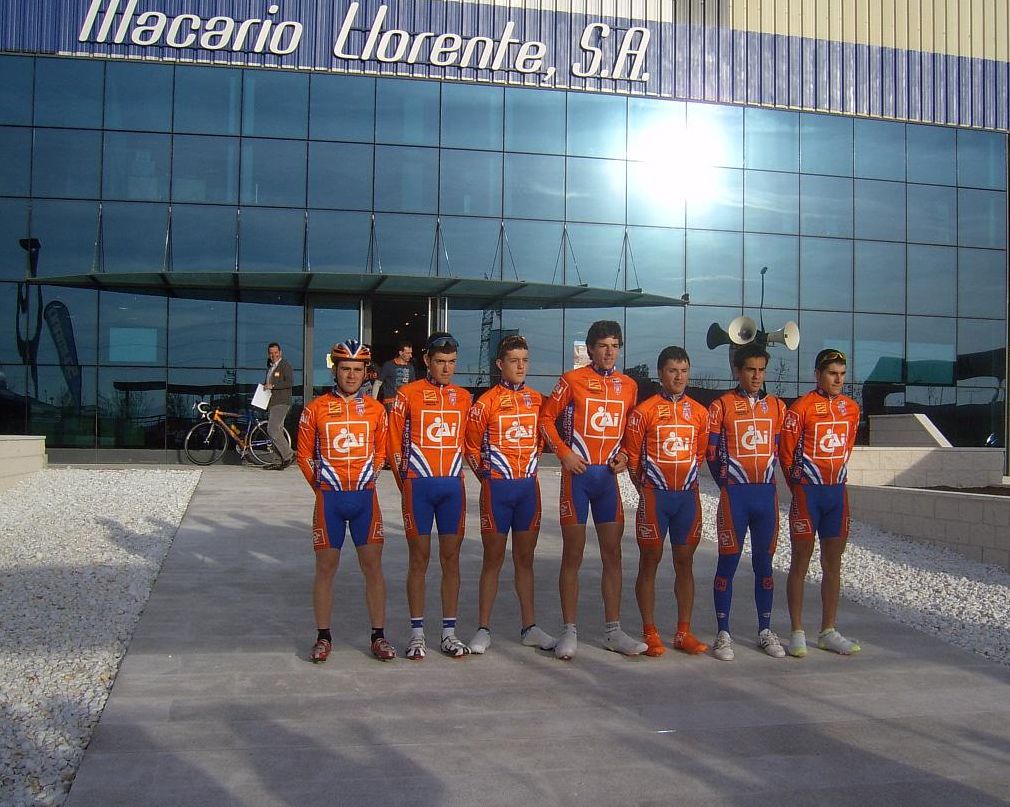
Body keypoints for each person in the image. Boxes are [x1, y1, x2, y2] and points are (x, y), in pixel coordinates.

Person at [540, 320, 646, 660]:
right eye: (603, 345)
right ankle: (569, 631)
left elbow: (632, 428)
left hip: (607, 481)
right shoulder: (571, 380)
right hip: (578, 477)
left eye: (615, 345)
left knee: (613, 555)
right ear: (590, 349)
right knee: (573, 554)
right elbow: (545, 419)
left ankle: (613, 631)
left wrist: (626, 455)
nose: (609, 352)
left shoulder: (629, 385)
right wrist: (564, 453)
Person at [296, 339, 395, 663]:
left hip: (365, 499)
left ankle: (378, 635)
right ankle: (323, 636)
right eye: (345, 369)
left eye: (357, 369)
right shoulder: (315, 408)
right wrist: (321, 487)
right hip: (330, 501)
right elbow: (303, 455)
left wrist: (368, 479)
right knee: (325, 569)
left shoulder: (376, 410)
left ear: (366, 373)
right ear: (335, 370)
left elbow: (382, 451)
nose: (351, 375)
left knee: (373, 567)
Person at [463, 335, 556, 655]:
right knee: (493, 559)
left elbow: (544, 439)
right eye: (514, 361)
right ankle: (483, 628)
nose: (520, 366)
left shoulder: (538, 400)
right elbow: (471, 448)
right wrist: (488, 478)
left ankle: (530, 627)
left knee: (525, 560)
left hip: (528, 490)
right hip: (497, 491)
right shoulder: (485, 403)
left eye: (525, 360)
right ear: (500, 364)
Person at [387, 332, 473, 660]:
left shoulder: (464, 397)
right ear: (426, 361)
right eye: (440, 362)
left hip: (452, 487)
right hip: (418, 487)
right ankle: (417, 634)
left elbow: (472, 442)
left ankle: (449, 633)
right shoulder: (407, 394)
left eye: (452, 362)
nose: (446, 368)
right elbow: (393, 445)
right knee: (419, 559)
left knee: (451, 559)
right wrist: (406, 484)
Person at [623, 346, 710, 657]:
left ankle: (684, 631)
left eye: (684, 371)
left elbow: (700, 454)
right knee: (650, 561)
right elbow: (633, 459)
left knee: (685, 563)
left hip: (686, 496)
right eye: (673, 370)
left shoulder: (699, 413)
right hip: (654, 497)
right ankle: (650, 631)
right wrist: (647, 488)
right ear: (661, 373)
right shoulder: (643, 412)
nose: (679, 377)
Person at [706, 342, 787, 661]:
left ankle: (765, 630)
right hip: (735, 497)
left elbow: (781, 450)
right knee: (727, 563)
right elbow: (711, 453)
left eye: (761, 370)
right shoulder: (721, 405)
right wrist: (727, 484)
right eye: (750, 369)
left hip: (765, 496)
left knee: (764, 566)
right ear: (737, 371)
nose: (756, 376)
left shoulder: (777, 406)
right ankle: (723, 633)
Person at [779, 348, 862, 657]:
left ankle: (828, 630)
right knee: (800, 561)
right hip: (807, 494)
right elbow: (786, 455)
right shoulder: (801, 408)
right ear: (817, 375)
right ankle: (797, 631)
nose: (838, 379)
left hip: (836, 494)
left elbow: (847, 447)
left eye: (842, 374)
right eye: (831, 373)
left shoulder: (851, 408)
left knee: (833, 563)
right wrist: (800, 487)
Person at [263, 342, 295, 470]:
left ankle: (288, 455)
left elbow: (289, 382)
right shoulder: (270, 368)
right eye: (271, 353)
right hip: (272, 402)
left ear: (280, 353)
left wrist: (273, 386)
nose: (273, 355)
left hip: (281, 402)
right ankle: (277, 460)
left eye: (276, 353)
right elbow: (268, 384)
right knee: (277, 431)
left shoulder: (285, 365)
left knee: (272, 429)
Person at [376, 339, 416, 411]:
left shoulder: (410, 367)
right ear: (400, 353)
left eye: (411, 353)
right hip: (390, 401)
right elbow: (377, 383)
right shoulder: (388, 365)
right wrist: (374, 401)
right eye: (408, 353)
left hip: (404, 401)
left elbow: (412, 386)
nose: (410, 355)